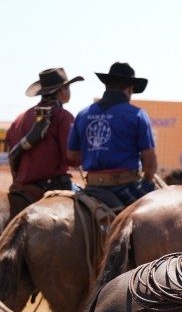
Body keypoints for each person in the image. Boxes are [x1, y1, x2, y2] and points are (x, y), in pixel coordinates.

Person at [67, 62, 157, 208]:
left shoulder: (83, 114)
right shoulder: (137, 115)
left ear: (107, 86)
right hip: (125, 188)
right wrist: (147, 182)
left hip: (92, 187)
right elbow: (150, 163)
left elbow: (72, 155)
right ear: (129, 89)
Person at [6, 67, 83, 200]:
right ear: (62, 91)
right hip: (53, 186)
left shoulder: (19, 119)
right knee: (93, 207)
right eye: (68, 87)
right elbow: (71, 158)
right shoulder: (63, 116)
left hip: (21, 187)